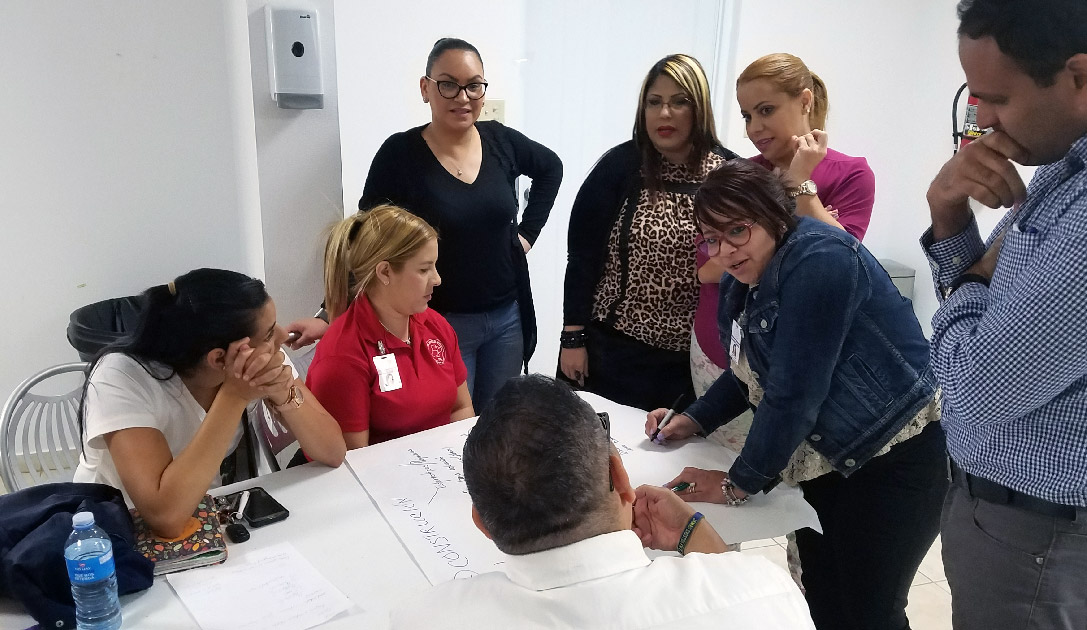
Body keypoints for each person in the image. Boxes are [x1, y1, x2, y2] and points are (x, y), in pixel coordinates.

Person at [648, 160, 946, 630]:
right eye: (712, 236)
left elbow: (793, 393)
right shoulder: (746, 271)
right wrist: (697, 418)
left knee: (871, 611)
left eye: (737, 231)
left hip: (893, 464)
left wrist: (736, 484)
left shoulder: (821, 260)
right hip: (829, 463)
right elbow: (753, 370)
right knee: (825, 599)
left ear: (774, 214)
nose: (723, 250)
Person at [390, 374, 815, 629]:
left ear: (481, 523)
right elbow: (734, 586)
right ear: (621, 476)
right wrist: (697, 533)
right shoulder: (764, 592)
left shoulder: (423, 619)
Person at [923, 1, 1087, 627]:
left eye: (996, 98)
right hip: (1006, 514)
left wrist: (972, 285)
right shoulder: (1060, 166)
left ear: (1077, 76)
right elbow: (982, 295)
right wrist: (952, 220)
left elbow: (972, 385)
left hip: (1038, 541)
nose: (981, 120)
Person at [289, 38, 562, 410]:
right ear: (425, 88)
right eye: (448, 84)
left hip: (506, 319)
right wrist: (330, 314)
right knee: (447, 431)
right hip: (437, 324)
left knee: (500, 427)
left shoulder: (501, 141)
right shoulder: (400, 155)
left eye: (474, 85)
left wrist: (528, 234)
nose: (462, 97)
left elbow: (551, 168)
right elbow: (364, 241)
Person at [74, 268, 346, 538]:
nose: (282, 338)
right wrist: (235, 395)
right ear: (218, 359)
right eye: (268, 334)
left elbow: (333, 451)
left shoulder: (257, 358)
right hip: (109, 534)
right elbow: (165, 517)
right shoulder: (120, 377)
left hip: (203, 515)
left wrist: (284, 395)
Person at [560, 54, 738, 412]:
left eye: (679, 102)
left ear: (699, 108)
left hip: (691, 362)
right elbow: (582, 258)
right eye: (654, 102)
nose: (664, 114)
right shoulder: (619, 167)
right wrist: (572, 338)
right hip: (612, 351)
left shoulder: (728, 176)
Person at [692, 53, 876, 399]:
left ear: (804, 101)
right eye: (747, 116)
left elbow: (841, 265)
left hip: (795, 359)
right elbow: (708, 269)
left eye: (766, 110)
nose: (754, 128)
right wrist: (805, 223)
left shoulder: (852, 174)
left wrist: (799, 182)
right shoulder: (742, 174)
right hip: (720, 347)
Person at [305, 205, 474, 450]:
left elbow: (461, 408)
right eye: (424, 269)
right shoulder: (343, 355)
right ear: (385, 272)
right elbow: (352, 464)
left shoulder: (435, 325)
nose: (437, 279)